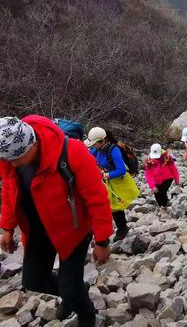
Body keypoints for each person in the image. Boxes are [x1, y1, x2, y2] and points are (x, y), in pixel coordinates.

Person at [0, 116, 112, 327]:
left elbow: (97, 199)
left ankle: (86, 314)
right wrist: (7, 227)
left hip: (73, 229)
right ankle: (77, 291)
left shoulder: (73, 153)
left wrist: (102, 240)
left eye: (17, 158)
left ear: (32, 144)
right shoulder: (8, 159)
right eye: (8, 160)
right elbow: (9, 191)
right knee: (33, 280)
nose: (12, 164)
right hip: (37, 230)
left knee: (70, 290)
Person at [85, 127, 139, 242]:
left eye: (95, 143)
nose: (93, 146)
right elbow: (89, 158)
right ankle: (120, 228)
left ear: (102, 141)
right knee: (111, 206)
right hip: (108, 182)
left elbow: (121, 170)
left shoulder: (114, 150)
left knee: (116, 207)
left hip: (119, 182)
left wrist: (105, 175)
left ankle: (122, 228)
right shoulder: (96, 150)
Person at [144, 143, 179, 209]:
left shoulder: (167, 156)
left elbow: (173, 168)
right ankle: (162, 205)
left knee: (162, 192)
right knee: (157, 194)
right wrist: (152, 186)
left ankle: (164, 207)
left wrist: (176, 179)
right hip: (156, 180)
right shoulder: (149, 159)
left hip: (168, 178)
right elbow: (148, 173)